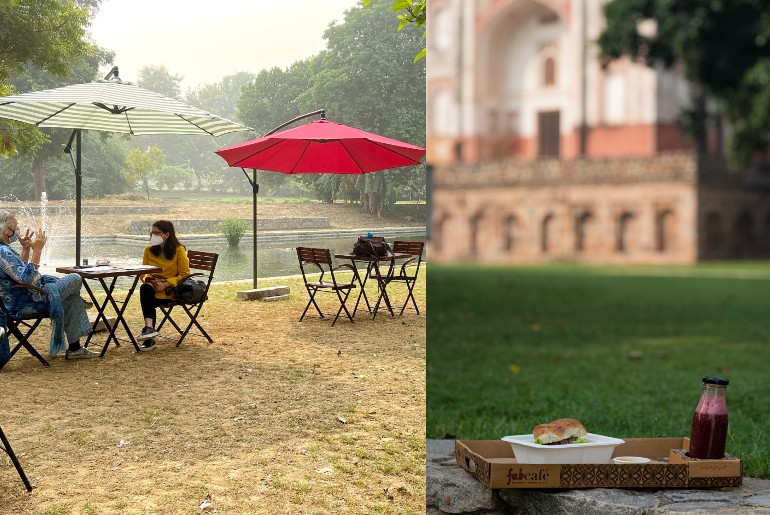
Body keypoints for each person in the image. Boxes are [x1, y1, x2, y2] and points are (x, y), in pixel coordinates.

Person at [0, 209, 97, 361]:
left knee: (72, 300)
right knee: (76, 278)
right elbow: (26, 279)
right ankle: (70, 298)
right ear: (5, 229)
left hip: (21, 296)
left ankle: (75, 349)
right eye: (15, 227)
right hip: (26, 302)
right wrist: (37, 251)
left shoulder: (3, 250)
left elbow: (18, 274)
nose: (17, 231)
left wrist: (26, 249)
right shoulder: (2, 252)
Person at [136, 220, 190, 350]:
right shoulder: (149, 250)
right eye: (152, 232)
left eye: (157, 233)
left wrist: (166, 284)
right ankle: (149, 330)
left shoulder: (178, 250)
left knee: (147, 295)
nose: (153, 235)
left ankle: (149, 335)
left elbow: (185, 274)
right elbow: (142, 273)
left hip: (171, 290)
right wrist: (151, 280)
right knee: (145, 288)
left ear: (167, 234)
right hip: (152, 288)